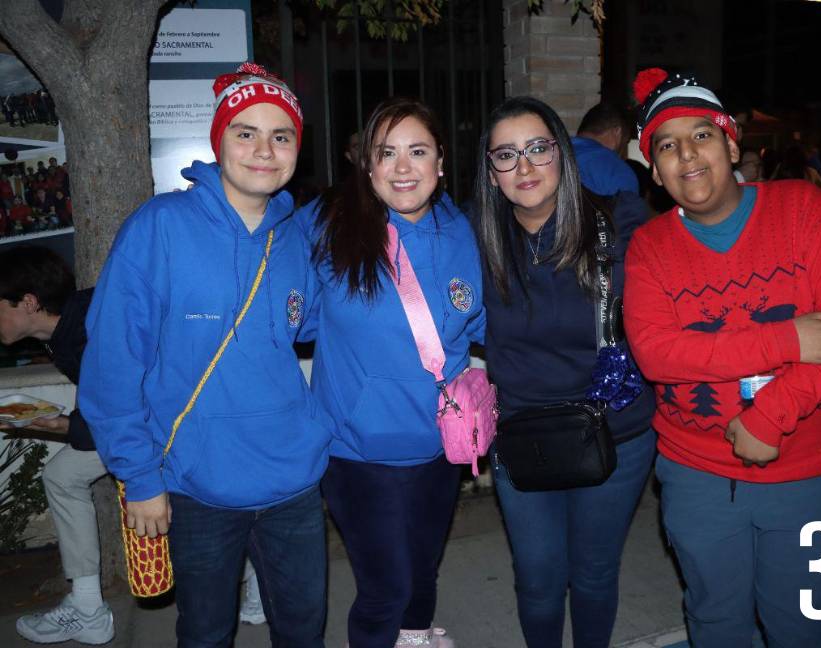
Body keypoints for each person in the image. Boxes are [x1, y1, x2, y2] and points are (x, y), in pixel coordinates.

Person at [79, 63, 332, 647]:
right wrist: (139, 476)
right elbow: (113, 363)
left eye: (281, 135)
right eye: (246, 132)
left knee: (303, 632)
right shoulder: (159, 227)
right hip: (196, 484)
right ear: (219, 141)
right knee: (205, 634)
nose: (264, 150)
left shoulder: (296, 236)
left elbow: (318, 324)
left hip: (293, 479)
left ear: (297, 147)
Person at [623, 68, 821, 648]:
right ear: (655, 170)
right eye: (667, 144)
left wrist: (768, 417)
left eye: (701, 135)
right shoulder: (650, 247)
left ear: (732, 143)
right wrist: (786, 339)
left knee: (799, 624)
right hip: (696, 475)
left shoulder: (803, 209)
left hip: (804, 471)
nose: (686, 154)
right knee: (715, 621)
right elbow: (658, 353)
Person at [298, 97, 483, 648]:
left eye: (418, 151)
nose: (403, 167)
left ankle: (417, 636)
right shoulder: (327, 229)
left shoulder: (462, 231)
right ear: (368, 166)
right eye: (388, 153)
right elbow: (293, 319)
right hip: (360, 452)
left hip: (439, 445)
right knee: (385, 586)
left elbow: (484, 321)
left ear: (441, 162)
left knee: (423, 569)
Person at [473, 96, 656, 648]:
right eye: (506, 155)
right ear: (491, 171)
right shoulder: (473, 239)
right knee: (538, 581)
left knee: (596, 573)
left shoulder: (622, 222)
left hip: (615, 433)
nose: (524, 167)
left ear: (563, 153)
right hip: (525, 435)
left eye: (537, 149)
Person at [0, 247, 112, 645]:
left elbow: (124, 413)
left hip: (178, 421)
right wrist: (65, 423)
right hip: (138, 420)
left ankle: (257, 578)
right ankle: (86, 607)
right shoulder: (62, 333)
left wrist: (63, 426)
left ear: (28, 302)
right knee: (63, 473)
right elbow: (100, 396)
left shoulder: (92, 325)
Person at [571, 102, 639, 196]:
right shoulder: (618, 172)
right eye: (626, 142)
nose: (625, 155)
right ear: (617, 132)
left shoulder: (553, 153)